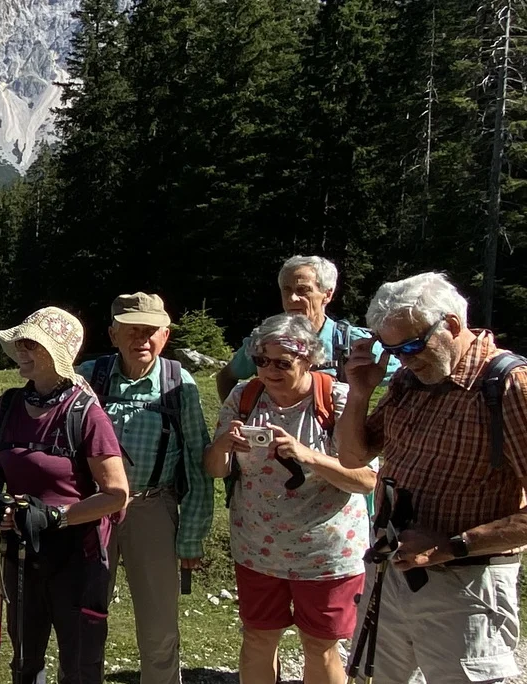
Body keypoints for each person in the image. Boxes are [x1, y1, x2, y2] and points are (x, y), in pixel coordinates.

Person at [336, 272, 527, 683]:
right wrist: (359, 392)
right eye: (392, 350)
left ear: (452, 326)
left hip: (465, 584)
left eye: (411, 346)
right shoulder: (410, 381)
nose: (404, 359)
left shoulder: (510, 385)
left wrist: (453, 544)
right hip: (390, 570)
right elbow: (353, 456)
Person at [205, 314, 375, 684]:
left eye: (283, 362)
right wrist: (223, 445)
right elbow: (216, 469)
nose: (270, 370)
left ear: (309, 359)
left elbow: (366, 479)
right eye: (262, 360)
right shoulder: (244, 396)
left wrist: (307, 455)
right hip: (257, 550)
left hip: (327, 556)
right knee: (258, 638)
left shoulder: (338, 399)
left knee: (320, 647)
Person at [0, 306, 130, 684]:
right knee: (24, 659)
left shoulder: (85, 413)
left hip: (76, 558)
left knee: (79, 663)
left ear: (56, 353)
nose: (21, 352)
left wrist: (56, 516)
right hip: (21, 551)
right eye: (19, 344)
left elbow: (116, 494)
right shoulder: (8, 405)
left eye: (31, 344)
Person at [76, 293, 213, 684]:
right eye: (132, 330)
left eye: (150, 331)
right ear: (113, 334)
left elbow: (197, 460)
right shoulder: (89, 376)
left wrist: (191, 535)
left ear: (165, 335)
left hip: (153, 506)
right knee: (86, 615)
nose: (142, 339)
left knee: (158, 627)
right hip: (94, 509)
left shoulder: (177, 383)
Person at [216, 255, 399, 401]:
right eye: (286, 290)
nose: (292, 299)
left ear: (327, 294)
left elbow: (407, 373)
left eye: (303, 290)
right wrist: (239, 417)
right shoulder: (265, 340)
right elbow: (226, 376)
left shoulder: (350, 342)